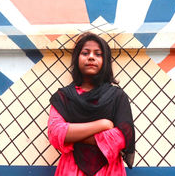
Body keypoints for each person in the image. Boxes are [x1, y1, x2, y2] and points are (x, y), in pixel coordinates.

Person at [48, 32, 135, 176]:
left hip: (109, 170)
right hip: (71, 170)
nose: (91, 57)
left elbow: (121, 137)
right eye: (85, 53)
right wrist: (102, 124)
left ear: (105, 61)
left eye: (98, 54)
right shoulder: (63, 97)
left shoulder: (117, 97)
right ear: (76, 59)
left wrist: (73, 135)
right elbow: (55, 133)